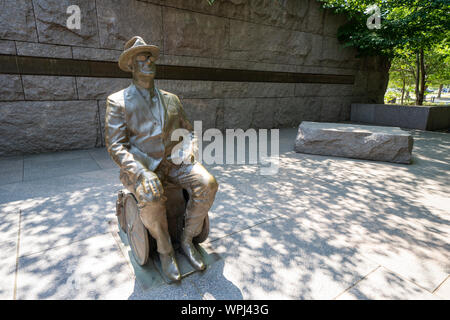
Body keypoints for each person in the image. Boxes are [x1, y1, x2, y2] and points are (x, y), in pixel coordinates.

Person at [105, 36, 218, 281]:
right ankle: (166, 250)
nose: (148, 61)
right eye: (141, 58)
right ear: (131, 66)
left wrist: (189, 147)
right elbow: (115, 145)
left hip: (175, 164)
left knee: (208, 182)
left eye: (150, 57)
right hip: (142, 168)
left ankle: (187, 240)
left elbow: (188, 130)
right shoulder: (118, 102)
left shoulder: (172, 99)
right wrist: (141, 173)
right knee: (150, 195)